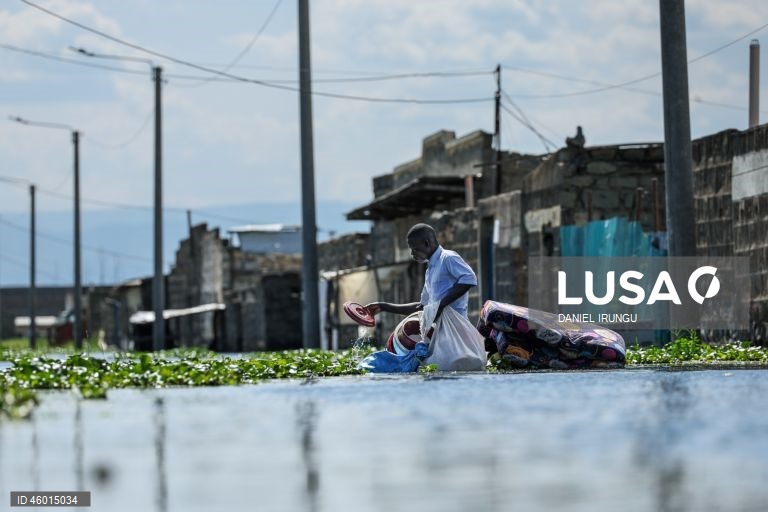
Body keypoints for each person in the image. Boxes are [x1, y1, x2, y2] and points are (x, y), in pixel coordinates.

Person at [366, 223, 477, 323]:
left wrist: (440, 305)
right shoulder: (430, 270)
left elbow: (469, 279)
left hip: (456, 328)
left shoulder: (448, 258)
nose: (412, 253)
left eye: (414, 249)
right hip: (440, 330)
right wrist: (384, 307)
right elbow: (421, 307)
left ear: (426, 243)